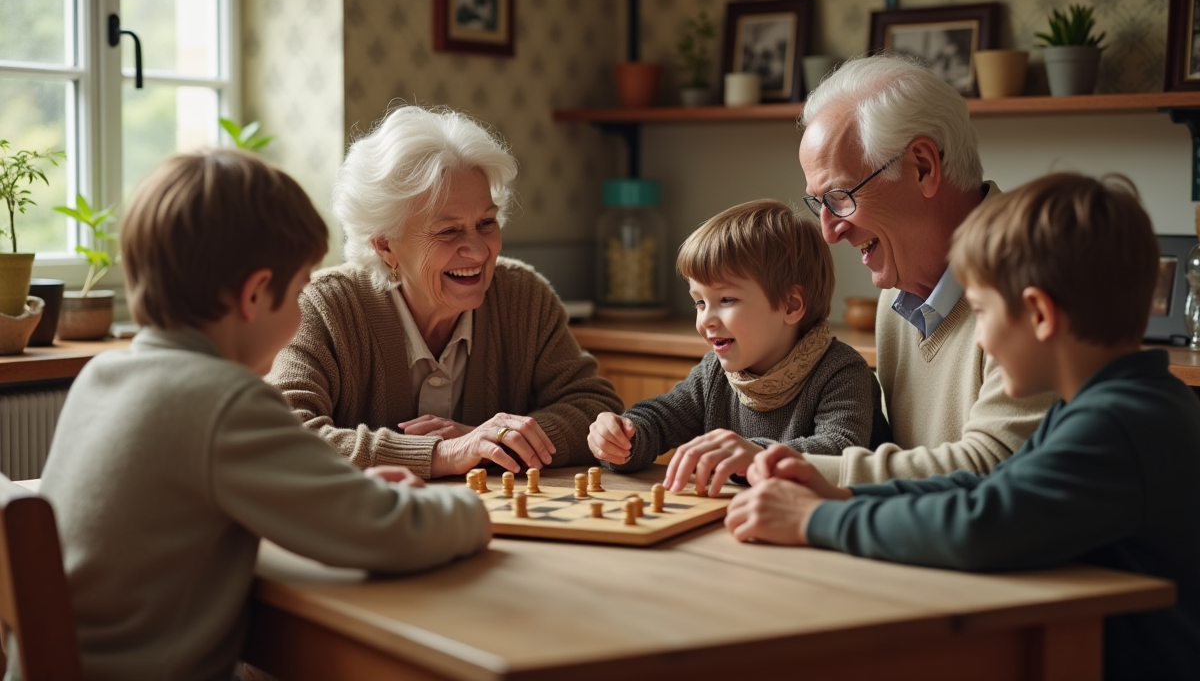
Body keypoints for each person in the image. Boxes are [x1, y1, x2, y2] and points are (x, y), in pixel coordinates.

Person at [16, 150, 490, 681]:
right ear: (254, 294)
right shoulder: (224, 401)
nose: (299, 314)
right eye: (297, 293)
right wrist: (469, 512)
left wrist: (344, 491)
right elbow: (385, 535)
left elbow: (239, 496)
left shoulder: (103, 378)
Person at [726, 173, 1200, 680]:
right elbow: (986, 487)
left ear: (1039, 314)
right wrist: (842, 497)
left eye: (980, 312)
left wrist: (813, 522)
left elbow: (982, 523)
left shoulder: (1117, 425)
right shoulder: (1102, 405)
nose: (983, 340)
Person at [267, 105, 622, 478]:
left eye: (486, 222)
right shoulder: (325, 307)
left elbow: (595, 410)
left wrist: (494, 441)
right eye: (448, 231)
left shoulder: (523, 296)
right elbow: (279, 438)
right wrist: (443, 453)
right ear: (385, 245)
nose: (480, 250)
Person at [797, 53, 1054, 485]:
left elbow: (995, 471)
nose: (829, 232)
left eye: (840, 196)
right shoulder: (895, 298)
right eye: (818, 203)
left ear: (923, 166)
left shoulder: (1034, 281)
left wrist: (781, 466)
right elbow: (904, 469)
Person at [588, 200, 888, 492]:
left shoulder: (841, 371)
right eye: (699, 302)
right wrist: (624, 437)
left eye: (726, 300)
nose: (706, 320)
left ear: (790, 305)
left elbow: (840, 452)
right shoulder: (713, 374)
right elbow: (660, 419)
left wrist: (754, 456)